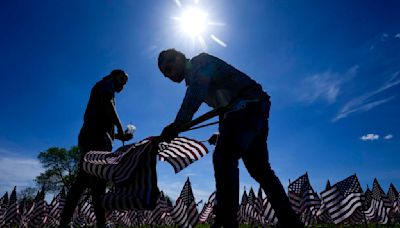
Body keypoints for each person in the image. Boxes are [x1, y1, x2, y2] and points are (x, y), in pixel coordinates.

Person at [158, 49, 304, 228]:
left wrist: (177, 124)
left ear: (179, 57)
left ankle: (226, 221)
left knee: (224, 158)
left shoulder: (199, 63)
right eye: (165, 74)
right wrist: (221, 133)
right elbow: (224, 105)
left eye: (168, 68)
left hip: (247, 107)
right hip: (252, 109)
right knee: (261, 171)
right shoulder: (196, 74)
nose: (168, 75)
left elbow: (196, 93)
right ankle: (291, 222)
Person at [59, 69, 133, 228]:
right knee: (99, 180)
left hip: (94, 134)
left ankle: (65, 222)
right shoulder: (107, 84)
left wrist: (120, 136)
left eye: (126, 82)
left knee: (82, 180)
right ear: (114, 76)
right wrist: (120, 126)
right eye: (122, 79)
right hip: (96, 136)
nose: (123, 84)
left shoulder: (104, 87)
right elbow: (107, 102)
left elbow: (104, 121)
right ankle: (101, 223)